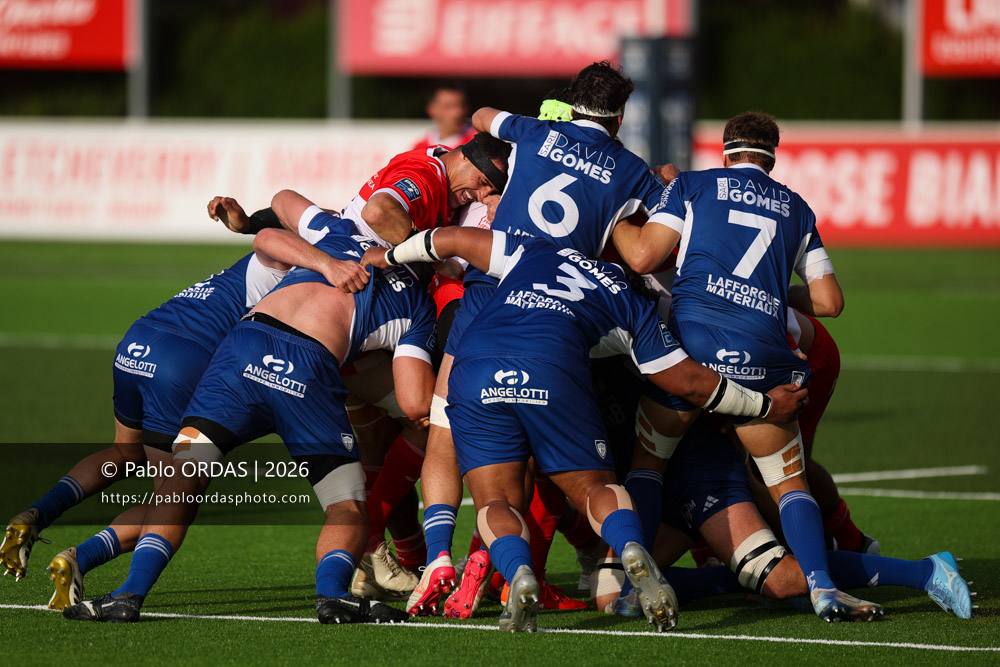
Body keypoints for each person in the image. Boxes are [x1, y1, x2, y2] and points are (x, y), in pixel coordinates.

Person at [363, 225, 807, 631]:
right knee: (593, 487)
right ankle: (633, 549)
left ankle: (519, 572)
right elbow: (688, 382)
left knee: (496, 499)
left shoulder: (534, 250)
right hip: (551, 366)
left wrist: (391, 255)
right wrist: (764, 404)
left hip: (475, 362)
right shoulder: (632, 300)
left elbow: (450, 238)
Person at [61, 191, 437, 624]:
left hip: (241, 350)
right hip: (308, 370)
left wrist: (324, 264)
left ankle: (129, 594)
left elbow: (269, 231)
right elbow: (412, 401)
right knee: (345, 504)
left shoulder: (338, 234)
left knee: (181, 480)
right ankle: (333, 596)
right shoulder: (418, 305)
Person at [409, 61, 684, 616]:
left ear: (574, 105)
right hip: (565, 303)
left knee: (447, 431)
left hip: (489, 296)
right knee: (574, 462)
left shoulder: (536, 132)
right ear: (621, 115)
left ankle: (444, 559)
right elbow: (652, 244)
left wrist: (522, 123)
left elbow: (483, 116)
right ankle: (616, 550)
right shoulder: (631, 170)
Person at [0, 197, 366, 608]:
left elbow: (277, 222)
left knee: (125, 451)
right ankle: (80, 558)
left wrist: (246, 221)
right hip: (185, 361)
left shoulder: (287, 258)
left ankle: (36, 515)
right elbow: (276, 233)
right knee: (175, 495)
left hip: (140, 341)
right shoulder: (301, 263)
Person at [612, 111, 873, 623]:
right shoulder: (797, 209)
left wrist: (614, 214)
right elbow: (830, 301)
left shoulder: (692, 186)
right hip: (766, 357)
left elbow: (644, 258)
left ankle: (630, 587)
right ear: (773, 155)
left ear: (725, 150)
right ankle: (821, 587)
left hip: (694, 352)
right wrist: (773, 291)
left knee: (648, 467)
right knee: (788, 483)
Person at [590, 416, 975, 621]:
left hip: (696, 466)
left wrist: (741, 397)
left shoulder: (628, 302)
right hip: (649, 478)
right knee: (610, 594)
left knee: (779, 576)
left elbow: (688, 374)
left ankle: (927, 572)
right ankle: (740, 577)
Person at [412, 83, 477, 151]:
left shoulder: (479, 141)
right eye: (448, 107)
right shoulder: (420, 149)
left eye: (462, 105)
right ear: (431, 109)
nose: (458, 113)